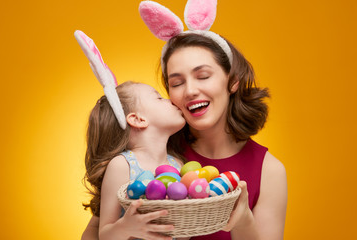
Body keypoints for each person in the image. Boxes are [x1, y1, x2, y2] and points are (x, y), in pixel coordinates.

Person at [82, 0, 287, 239]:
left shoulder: (268, 170)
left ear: (233, 81)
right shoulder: (155, 149)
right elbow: (97, 234)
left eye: (203, 76)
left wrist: (242, 221)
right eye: (176, 83)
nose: (189, 91)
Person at [75, 31, 186, 240]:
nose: (170, 100)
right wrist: (126, 228)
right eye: (159, 98)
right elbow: (104, 234)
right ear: (138, 119)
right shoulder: (123, 165)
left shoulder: (178, 165)